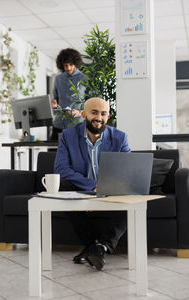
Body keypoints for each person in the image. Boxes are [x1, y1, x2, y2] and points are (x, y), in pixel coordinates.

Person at [54, 97, 131, 271]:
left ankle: (97, 247)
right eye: (94, 112)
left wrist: (104, 188)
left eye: (103, 113)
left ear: (108, 116)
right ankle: (96, 247)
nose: (99, 117)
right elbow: (61, 168)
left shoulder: (120, 138)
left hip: (110, 192)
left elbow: (127, 170)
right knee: (63, 187)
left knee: (131, 195)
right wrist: (92, 187)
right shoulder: (68, 136)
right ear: (83, 114)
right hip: (80, 190)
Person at [51, 48, 86, 141]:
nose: (68, 68)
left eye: (71, 64)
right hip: (59, 124)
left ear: (76, 63)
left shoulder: (84, 79)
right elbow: (55, 99)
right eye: (66, 65)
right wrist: (54, 105)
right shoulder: (58, 79)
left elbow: (91, 103)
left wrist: (80, 112)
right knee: (52, 153)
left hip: (77, 124)